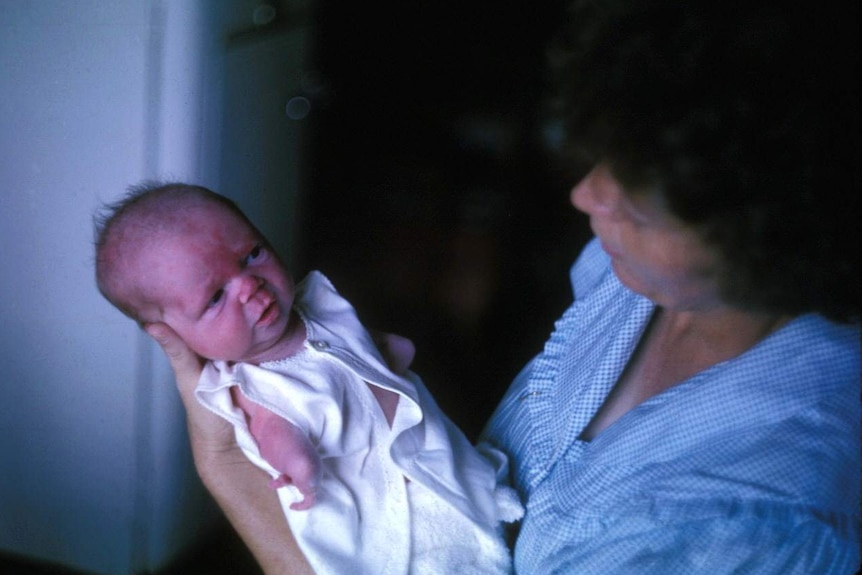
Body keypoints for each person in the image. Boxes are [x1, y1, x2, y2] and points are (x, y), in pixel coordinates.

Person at [140, 0, 861, 573]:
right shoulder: (644, 276)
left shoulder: (764, 527)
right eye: (602, 159)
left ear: (764, 236)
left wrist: (237, 482)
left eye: (636, 206)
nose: (585, 197)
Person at [94, 184, 522, 575]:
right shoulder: (252, 385)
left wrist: (387, 352)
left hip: (423, 451)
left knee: (472, 496)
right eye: (216, 296)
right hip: (375, 495)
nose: (249, 284)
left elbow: (361, 346)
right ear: (177, 337)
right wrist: (299, 462)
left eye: (251, 255)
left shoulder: (315, 306)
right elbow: (272, 429)